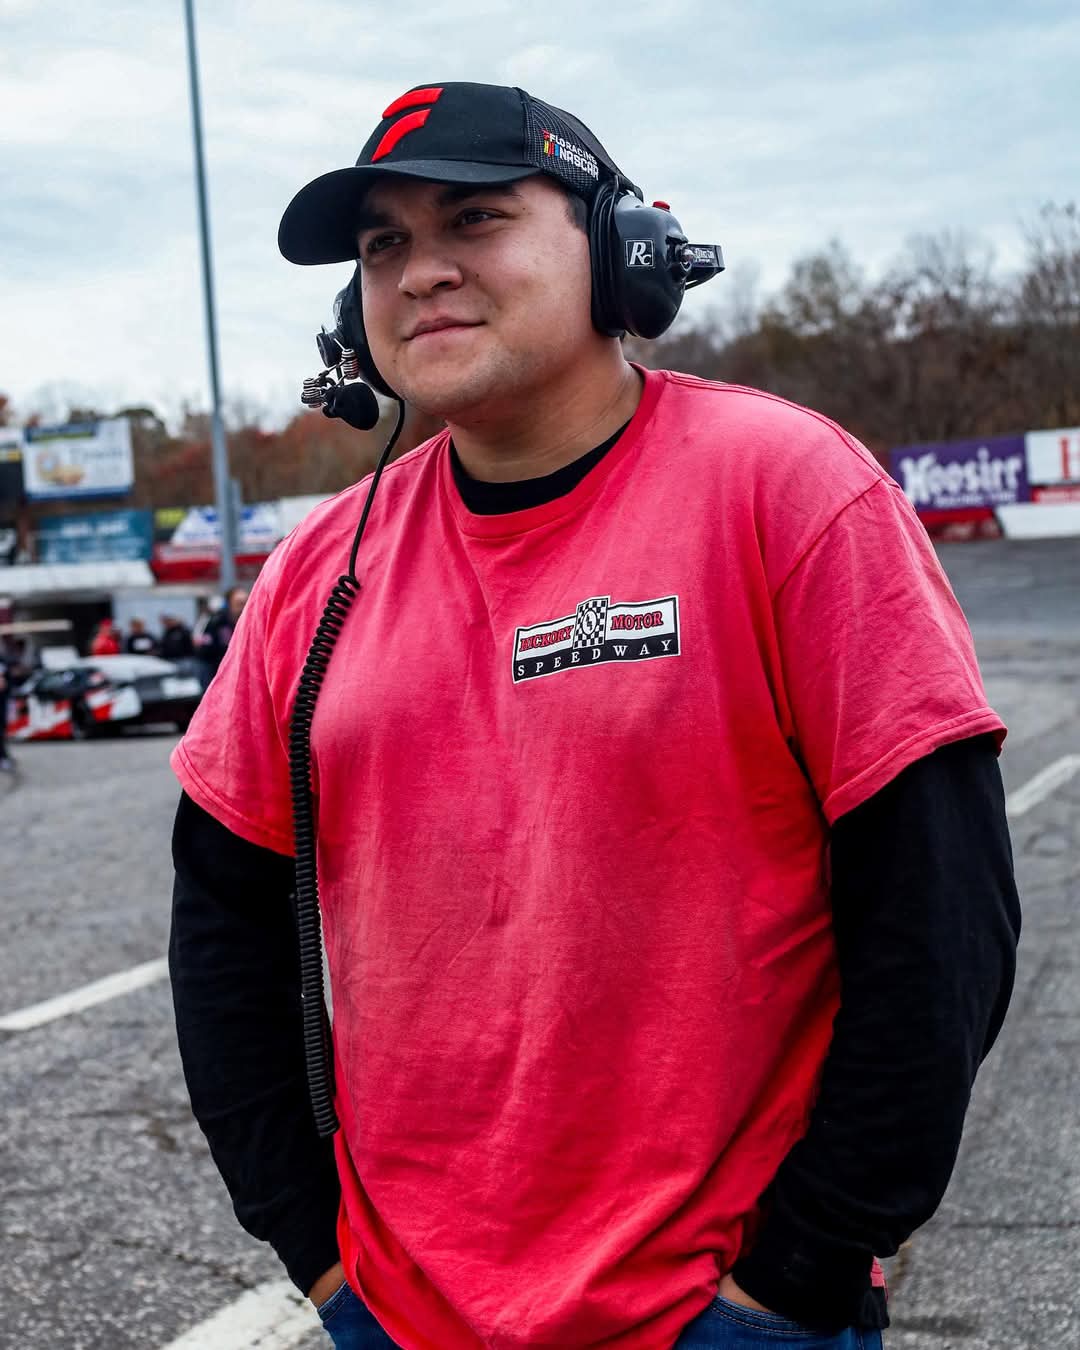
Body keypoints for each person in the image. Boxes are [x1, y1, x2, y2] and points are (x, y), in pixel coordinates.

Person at [169, 82, 1020, 1350]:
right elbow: (223, 929)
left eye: (474, 218)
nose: (419, 274)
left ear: (622, 254)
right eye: (384, 244)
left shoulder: (789, 492)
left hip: (724, 1315)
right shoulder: (314, 573)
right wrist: (318, 1255)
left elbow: (940, 920)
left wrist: (802, 1271)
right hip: (398, 1316)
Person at [195, 585, 248, 678]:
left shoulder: (252, 622)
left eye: (246, 603)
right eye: (239, 603)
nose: (243, 607)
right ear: (229, 604)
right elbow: (205, 648)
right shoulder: (217, 622)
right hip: (220, 670)